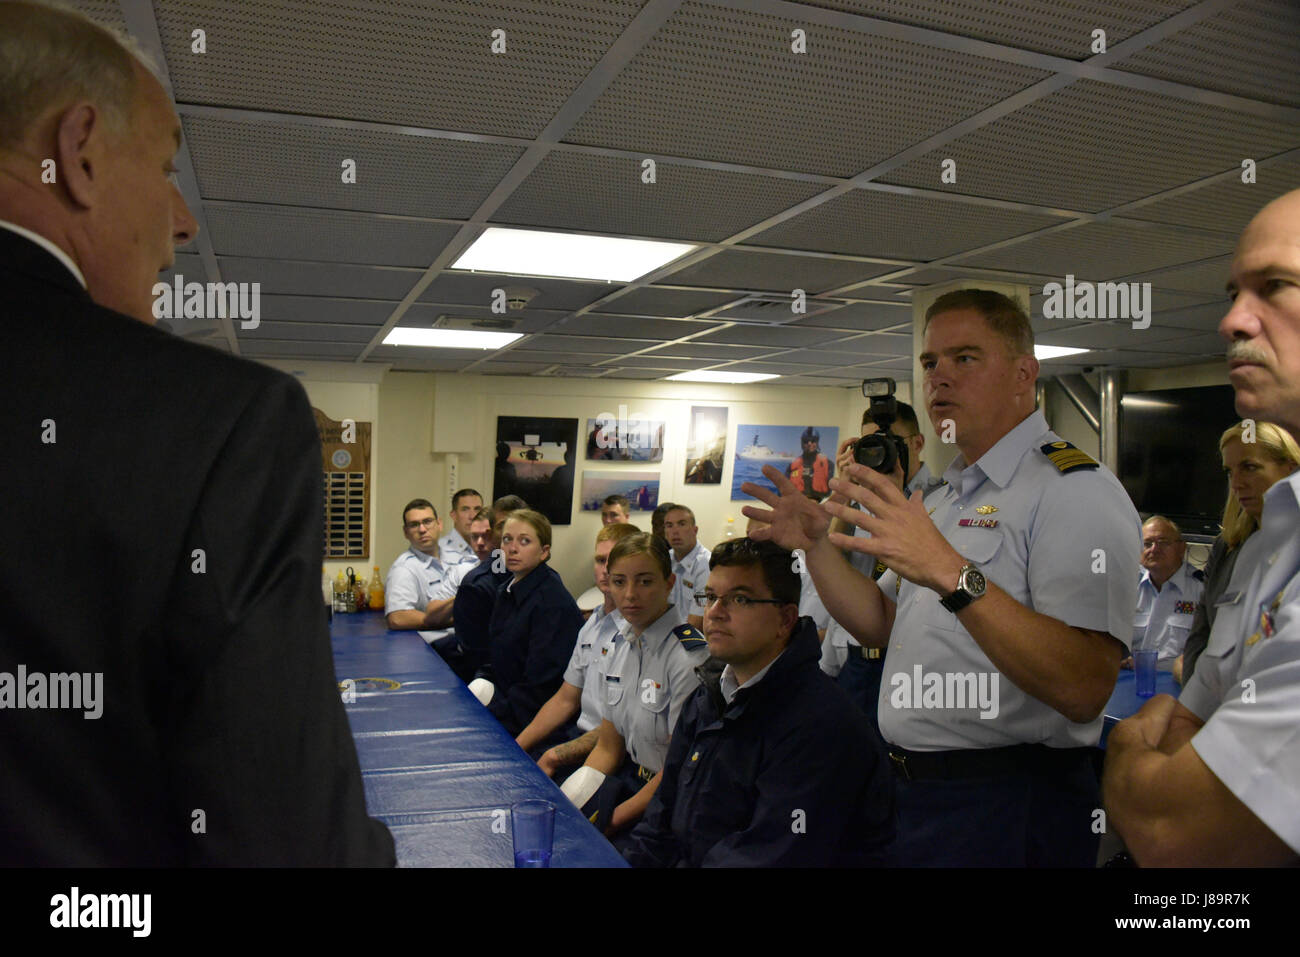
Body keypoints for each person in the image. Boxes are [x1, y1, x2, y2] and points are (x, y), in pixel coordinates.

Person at [0, 1, 392, 865]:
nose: (181, 221)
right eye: (167, 166)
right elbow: (286, 837)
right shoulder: (218, 423)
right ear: (80, 149)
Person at [745, 288, 1140, 867]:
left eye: (966, 358)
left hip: (1008, 801)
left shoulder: (1074, 491)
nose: (939, 379)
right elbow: (881, 623)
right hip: (912, 791)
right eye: (930, 363)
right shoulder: (945, 498)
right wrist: (816, 547)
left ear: (1023, 374)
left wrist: (952, 571)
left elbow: (1084, 686)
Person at [1104, 189, 1300, 865]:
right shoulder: (1274, 540)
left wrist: (1131, 747)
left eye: (1275, 286)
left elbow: (1174, 832)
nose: (1231, 320)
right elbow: (1200, 704)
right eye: (1233, 291)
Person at [622, 539, 895, 866]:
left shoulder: (820, 724)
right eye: (710, 597)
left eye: (739, 599)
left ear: (785, 619)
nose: (714, 613)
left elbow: (772, 853)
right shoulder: (710, 692)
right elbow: (662, 814)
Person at [559, 534, 708, 843]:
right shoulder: (621, 646)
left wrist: (607, 824)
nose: (629, 595)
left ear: (668, 583)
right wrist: (579, 796)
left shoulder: (688, 656)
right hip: (628, 779)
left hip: (668, 800)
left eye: (644, 582)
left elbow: (677, 769)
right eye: (619, 582)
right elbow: (608, 746)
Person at [1176, 421, 1300, 684]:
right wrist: (1191, 709)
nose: (1237, 484)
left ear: (1290, 469)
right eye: (1230, 472)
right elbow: (1202, 634)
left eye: (1250, 467)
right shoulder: (1227, 546)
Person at [519, 523, 639, 775]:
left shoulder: (638, 633)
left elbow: (623, 728)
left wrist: (554, 756)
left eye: (614, 560)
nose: (606, 569)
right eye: (599, 560)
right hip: (578, 734)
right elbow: (566, 698)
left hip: (615, 752)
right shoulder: (592, 624)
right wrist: (517, 746)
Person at [468, 510, 584, 736]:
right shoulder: (507, 589)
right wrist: (480, 682)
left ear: (544, 552)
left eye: (525, 541)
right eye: (507, 539)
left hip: (535, 720)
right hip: (506, 700)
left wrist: (490, 716)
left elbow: (541, 687)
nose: (512, 548)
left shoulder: (551, 602)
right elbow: (498, 657)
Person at [454, 495, 526, 678]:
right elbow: (479, 659)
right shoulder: (477, 586)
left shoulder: (543, 578)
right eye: (503, 526)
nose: (512, 534)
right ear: (493, 534)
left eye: (519, 525)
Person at [1125, 516, 1203, 671]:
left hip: (1179, 681)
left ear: (1182, 548)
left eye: (1163, 542)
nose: (1154, 549)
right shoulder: (1127, 587)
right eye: (1147, 544)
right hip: (1131, 678)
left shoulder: (1202, 590)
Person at [836, 401, 945, 500]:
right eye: (872, 446)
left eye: (889, 443)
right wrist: (845, 493)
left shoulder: (944, 496)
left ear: (917, 444)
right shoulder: (866, 495)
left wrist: (894, 497)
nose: (880, 455)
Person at [384, 499, 456, 642]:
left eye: (427, 521)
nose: (422, 529)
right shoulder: (404, 569)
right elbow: (397, 618)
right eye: (414, 525)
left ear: (439, 524)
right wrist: (450, 620)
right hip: (439, 649)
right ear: (405, 532)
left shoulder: (456, 558)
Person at [664, 505, 711, 629]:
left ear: (695, 530)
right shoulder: (664, 560)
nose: (675, 531)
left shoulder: (705, 564)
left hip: (693, 640)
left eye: (681, 524)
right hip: (666, 635)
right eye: (669, 525)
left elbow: (696, 623)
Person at [438, 488, 483, 566]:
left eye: (477, 509)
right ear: (454, 515)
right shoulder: (439, 549)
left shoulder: (488, 548)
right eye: (465, 509)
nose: (472, 516)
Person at [788, 426, 834, 499]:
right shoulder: (792, 466)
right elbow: (784, 489)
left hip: (820, 504)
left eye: (813, 440)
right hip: (796, 503)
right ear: (802, 443)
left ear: (817, 442)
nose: (809, 443)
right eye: (806, 441)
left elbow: (831, 492)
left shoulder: (829, 464)